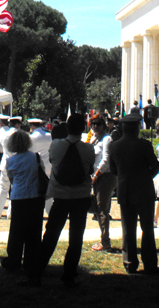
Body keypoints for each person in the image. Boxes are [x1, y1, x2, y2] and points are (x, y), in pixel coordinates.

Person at [30, 112, 95, 288]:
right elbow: (90, 168)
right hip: (80, 197)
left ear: (67, 128)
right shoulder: (88, 149)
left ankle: (36, 273)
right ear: (84, 128)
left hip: (60, 196)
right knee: (76, 237)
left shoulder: (56, 145)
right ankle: (69, 274)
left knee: (51, 235)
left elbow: (53, 162)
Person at [109, 109, 159, 274]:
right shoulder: (144, 145)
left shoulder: (114, 146)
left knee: (128, 230)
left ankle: (129, 262)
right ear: (137, 128)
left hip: (125, 190)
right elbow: (156, 167)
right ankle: (150, 263)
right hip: (144, 190)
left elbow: (113, 169)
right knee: (147, 228)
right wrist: (146, 177)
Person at [2, 128, 44, 274]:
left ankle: (13, 260)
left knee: (16, 232)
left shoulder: (10, 161)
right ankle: (31, 262)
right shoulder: (36, 157)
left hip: (18, 197)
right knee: (34, 232)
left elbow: (12, 180)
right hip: (35, 196)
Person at [89, 115, 117, 251]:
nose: (95, 126)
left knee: (102, 210)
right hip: (97, 176)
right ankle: (104, 239)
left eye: (98, 124)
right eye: (93, 123)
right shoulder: (94, 139)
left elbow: (106, 161)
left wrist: (95, 175)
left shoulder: (107, 139)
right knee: (97, 208)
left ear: (103, 125)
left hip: (105, 176)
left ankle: (105, 242)